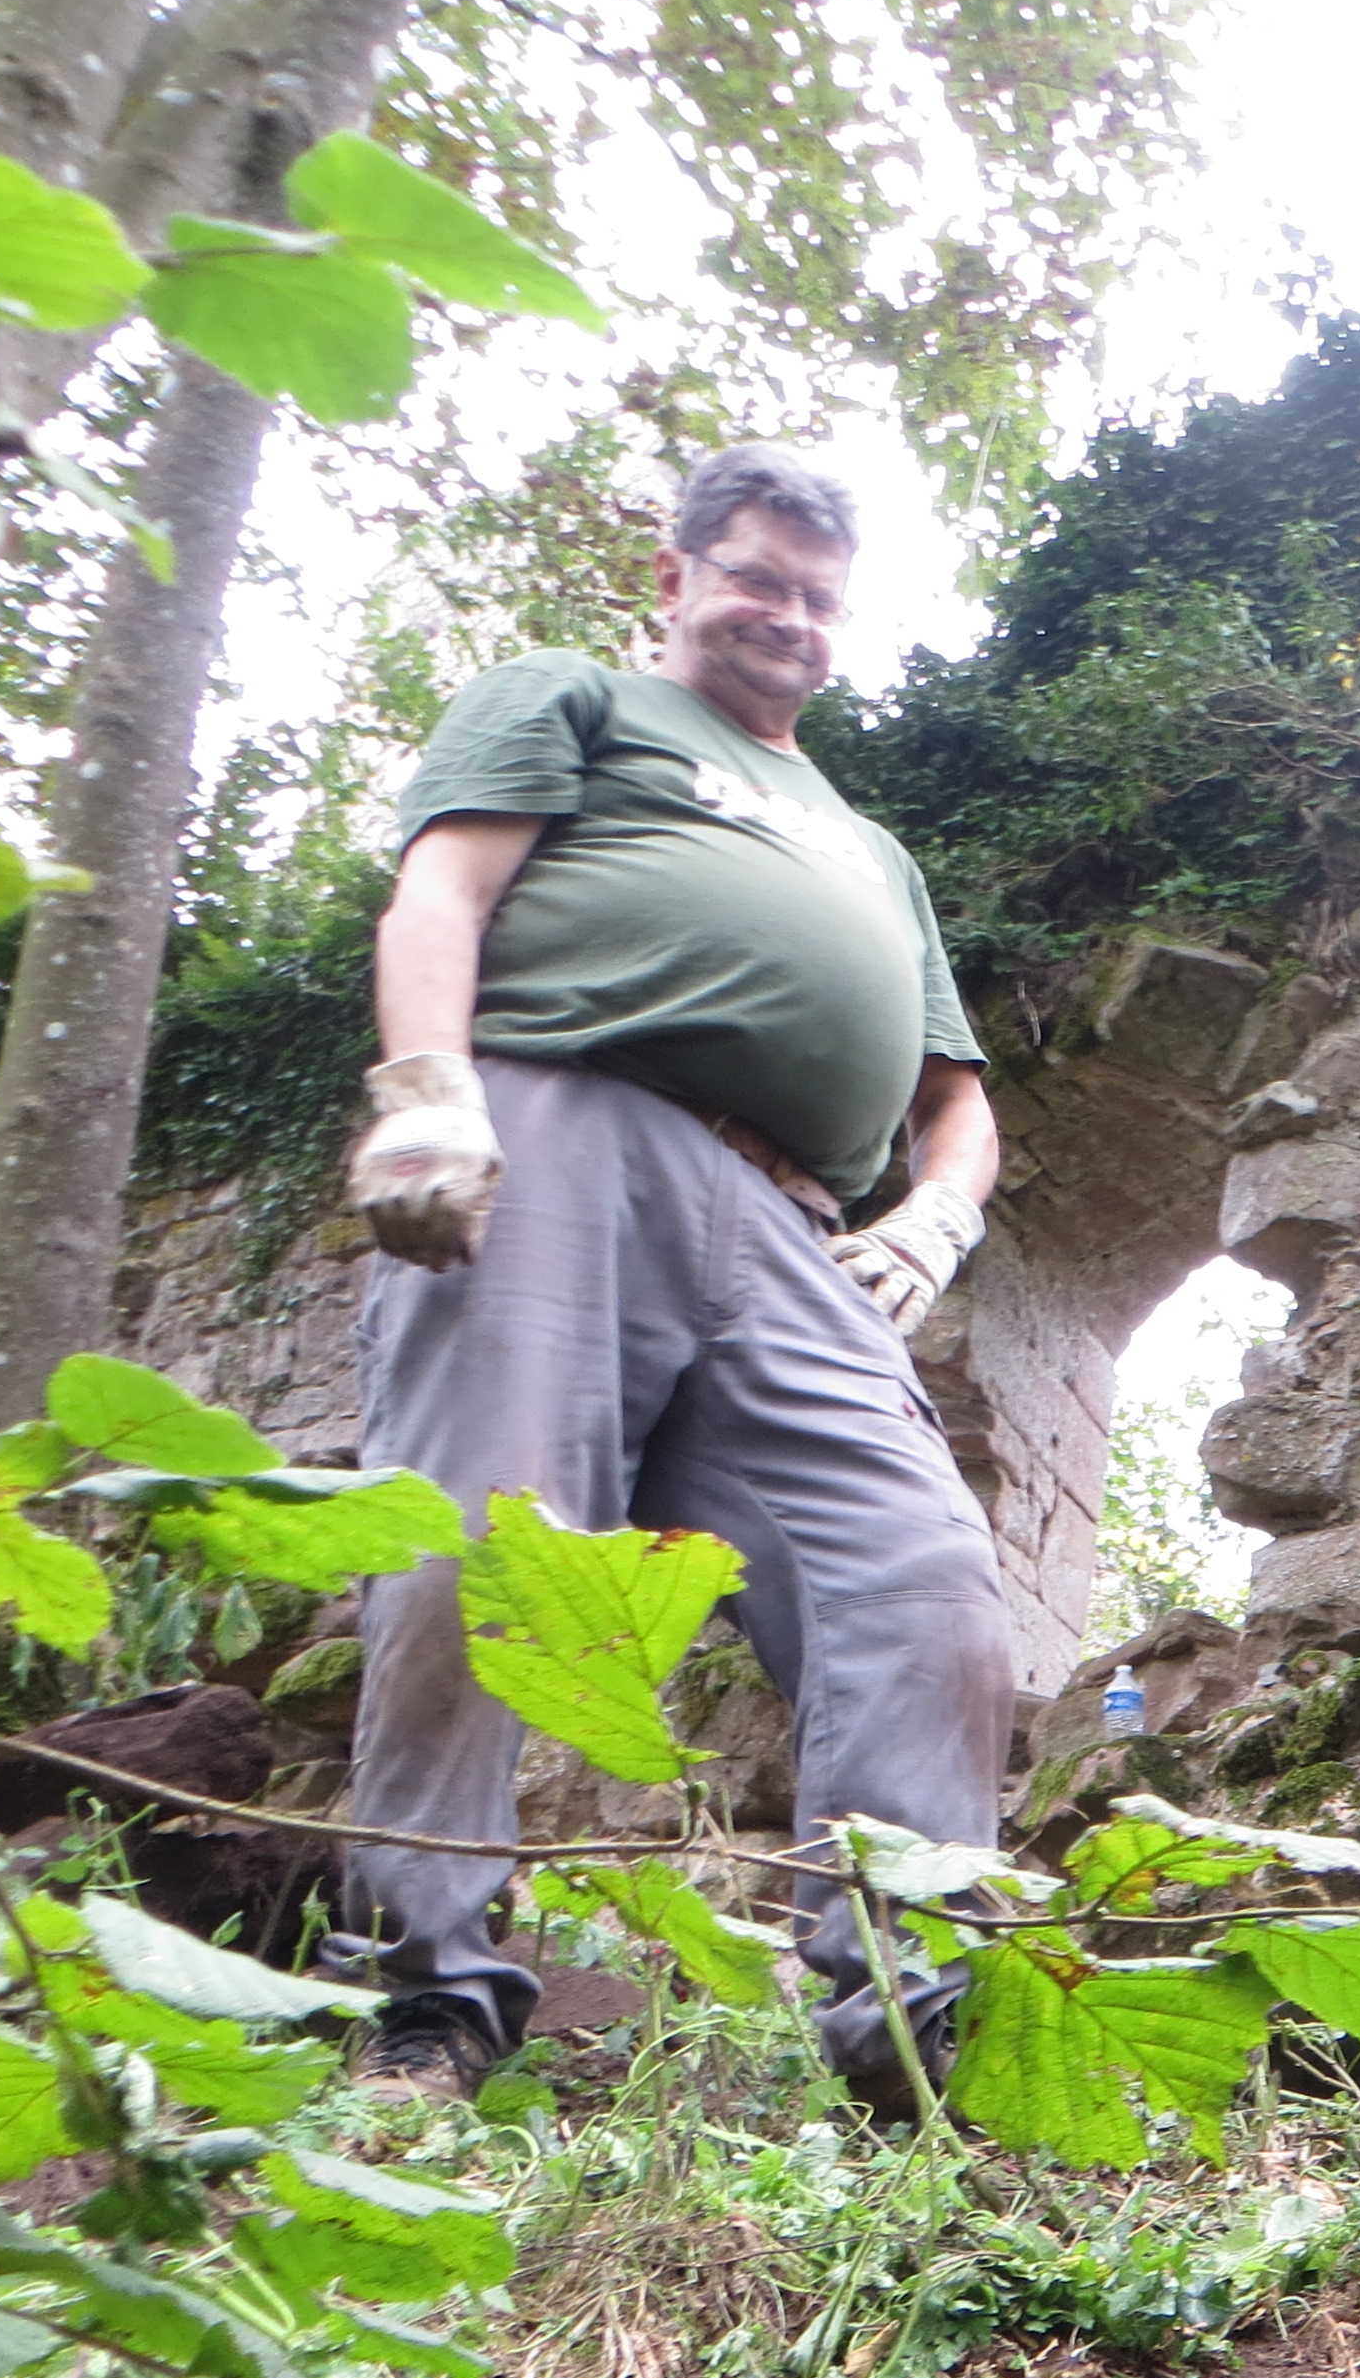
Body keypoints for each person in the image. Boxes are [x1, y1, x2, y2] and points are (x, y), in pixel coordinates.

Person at [332, 441, 1012, 2113]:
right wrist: (427, 1093)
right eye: (758, 578)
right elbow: (445, 888)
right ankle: (428, 2001)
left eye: (819, 598)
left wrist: (934, 1221)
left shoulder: (870, 849)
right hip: (564, 1127)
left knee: (925, 1575)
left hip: (796, 1228)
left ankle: (909, 2027)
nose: (789, 616)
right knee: (476, 1541)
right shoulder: (579, 700)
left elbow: (959, 1102)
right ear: (677, 575)